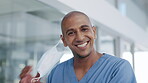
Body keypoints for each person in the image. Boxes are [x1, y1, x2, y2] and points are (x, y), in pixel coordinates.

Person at [19, 11, 137, 83]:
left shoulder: (119, 69)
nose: (79, 37)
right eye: (71, 33)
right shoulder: (57, 73)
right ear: (64, 40)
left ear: (94, 32)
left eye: (84, 29)